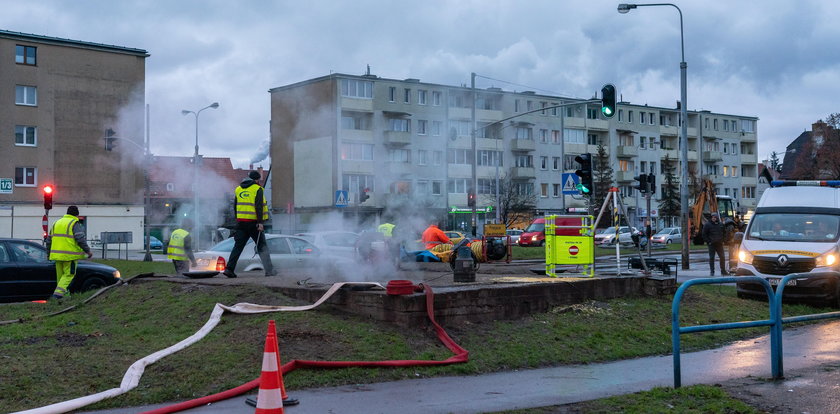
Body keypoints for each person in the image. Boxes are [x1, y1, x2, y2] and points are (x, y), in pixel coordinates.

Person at [223, 171, 275, 278]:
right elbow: (259, 207)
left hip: (241, 223)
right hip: (254, 224)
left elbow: (235, 206)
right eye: (259, 180)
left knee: (237, 247)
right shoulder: (257, 189)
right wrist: (260, 223)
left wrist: (238, 220)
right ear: (256, 180)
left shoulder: (238, 189)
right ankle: (269, 270)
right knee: (262, 246)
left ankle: (229, 269)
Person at [45, 205, 93, 299]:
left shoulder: (56, 223)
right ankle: (58, 294)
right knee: (69, 274)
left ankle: (65, 296)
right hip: (69, 256)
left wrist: (48, 254)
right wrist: (88, 251)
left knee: (60, 277)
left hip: (57, 256)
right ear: (77, 215)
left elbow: (48, 241)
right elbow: (80, 239)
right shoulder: (74, 223)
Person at [702, 212, 727, 276]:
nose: (714, 218)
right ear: (711, 217)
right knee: (712, 258)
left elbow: (724, 233)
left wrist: (723, 240)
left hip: (719, 244)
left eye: (715, 217)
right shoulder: (707, 225)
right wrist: (708, 242)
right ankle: (712, 271)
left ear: (717, 218)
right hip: (712, 244)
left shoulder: (721, 224)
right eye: (713, 217)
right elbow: (704, 234)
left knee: (722, 257)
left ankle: (723, 271)